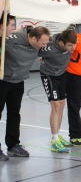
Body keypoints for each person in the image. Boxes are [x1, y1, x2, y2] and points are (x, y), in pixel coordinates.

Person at [0, 26, 50, 160]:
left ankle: (13, 145)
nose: (45, 46)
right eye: (43, 43)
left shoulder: (40, 44)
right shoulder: (11, 41)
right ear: (33, 39)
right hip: (2, 81)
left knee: (14, 114)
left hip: (18, 82)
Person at [38, 29, 77, 153]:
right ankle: (54, 141)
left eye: (74, 44)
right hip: (49, 76)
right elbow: (33, 50)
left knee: (61, 105)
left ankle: (58, 136)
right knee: (55, 106)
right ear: (61, 43)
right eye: (70, 45)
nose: (73, 48)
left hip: (61, 75)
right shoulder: (49, 49)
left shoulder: (71, 43)